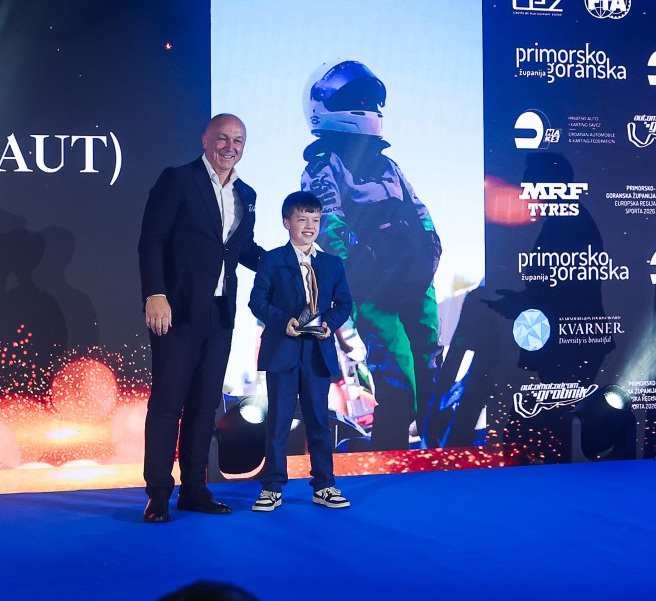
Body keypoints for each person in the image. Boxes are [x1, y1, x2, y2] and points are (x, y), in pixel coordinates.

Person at [301, 61, 443, 450]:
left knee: (430, 366)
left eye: (369, 99)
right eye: (357, 99)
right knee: (398, 372)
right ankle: (389, 456)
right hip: (374, 288)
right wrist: (369, 265)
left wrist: (429, 253)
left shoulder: (389, 165)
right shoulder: (323, 167)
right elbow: (327, 223)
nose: (366, 106)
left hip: (417, 280)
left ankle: (440, 454)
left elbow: (422, 213)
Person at [138, 113, 264, 523]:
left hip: (221, 312)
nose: (231, 147)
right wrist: (155, 294)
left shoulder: (246, 194)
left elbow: (242, 249)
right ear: (206, 139)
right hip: (177, 310)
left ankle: (194, 489)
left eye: (238, 140)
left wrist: (286, 264)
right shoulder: (178, 180)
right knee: (167, 404)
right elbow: (152, 240)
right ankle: (158, 493)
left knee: (205, 404)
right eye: (223, 138)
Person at [249, 191, 354, 511]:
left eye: (315, 220)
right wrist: (285, 322)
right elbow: (257, 302)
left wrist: (329, 324)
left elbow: (344, 304)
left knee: (319, 421)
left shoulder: (332, 263)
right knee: (278, 423)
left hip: (318, 352)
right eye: (302, 219)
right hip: (282, 350)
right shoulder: (272, 260)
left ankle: (324, 485)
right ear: (287, 223)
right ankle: (272, 487)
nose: (310, 226)